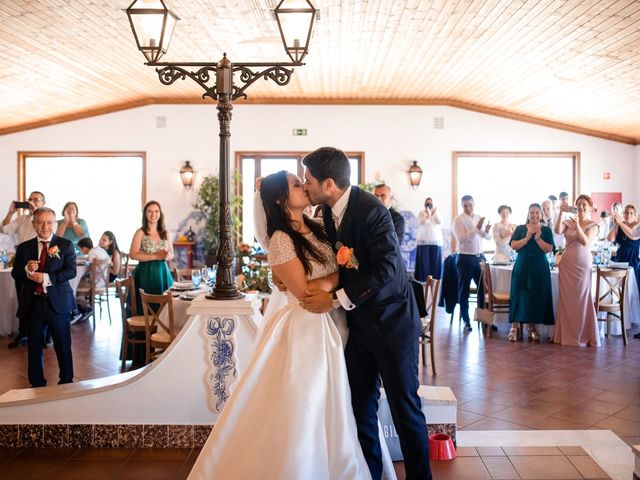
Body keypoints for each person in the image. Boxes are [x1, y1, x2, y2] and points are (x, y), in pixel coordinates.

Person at [189, 171, 375, 479]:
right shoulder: (280, 241)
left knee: (334, 408)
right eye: (295, 184)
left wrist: (336, 280)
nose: (303, 186)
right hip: (307, 331)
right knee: (307, 407)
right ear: (279, 199)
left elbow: (334, 272)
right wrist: (341, 278)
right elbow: (304, 292)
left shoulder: (317, 225)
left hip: (333, 320)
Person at [299, 147, 430, 480]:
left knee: (405, 409)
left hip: (392, 322)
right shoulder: (327, 211)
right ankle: (370, 473)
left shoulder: (372, 210)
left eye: (309, 180)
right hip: (359, 327)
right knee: (359, 407)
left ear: (329, 184)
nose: (305, 186)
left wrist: (335, 299)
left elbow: (387, 268)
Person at [11, 207, 76, 387]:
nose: (45, 227)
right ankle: (37, 383)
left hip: (58, 303)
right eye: (41, 222)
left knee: (63, 345)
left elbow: (71, 271)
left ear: (54, 223)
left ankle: (67, 381)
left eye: (49, 222)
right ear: (34, 224)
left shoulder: (65, 245)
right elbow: (16, 274)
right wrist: (26, 270)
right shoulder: (24, 248)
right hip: (33, 303)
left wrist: (46, 278)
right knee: (34, 346)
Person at [553, 195, 600, 347]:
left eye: (584, 205)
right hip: (567, 265)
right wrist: (561, 213)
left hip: (582, 265)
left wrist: (578, 225)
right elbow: (557, 230)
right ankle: (565, 335)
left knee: (582, 298)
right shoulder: (568, 222)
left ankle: (584, 335)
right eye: (578, 204)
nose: (580, 207)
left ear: (590, 207)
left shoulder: (593, 225)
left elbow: (585, 242)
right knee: (566, 300)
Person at [2, 191, 47, 348]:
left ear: (43, 202)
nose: (32, 202)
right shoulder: (22, 219)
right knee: (23, 298)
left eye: (36, 200)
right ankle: (23, 333)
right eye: (30, 199)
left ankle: (43, 335)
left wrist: (36, 212)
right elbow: (4, 230)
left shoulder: (47, 220)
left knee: (41, 299)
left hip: (42, 261)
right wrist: (10, 212)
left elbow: (47, 234)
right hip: (22, 261)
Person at [507, 204, 555, 342]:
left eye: (537, 212)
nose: (534, 215)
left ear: (541, 215)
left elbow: (549, 249)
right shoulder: (520, 228)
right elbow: (514, 245)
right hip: (522, 265)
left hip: (539, 267)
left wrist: (538, 239)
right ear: (528, 214)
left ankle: (532, 327)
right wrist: (526, 239)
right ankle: (514, 327)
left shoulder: (546, 230)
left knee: (536, 296)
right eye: (532, 212)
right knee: (519, 294)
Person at [452, 195, 491, 332]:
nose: (468, 208)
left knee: (483, 290)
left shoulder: (478, 217)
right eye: (465, 206)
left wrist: (485, 230)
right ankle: (466, 321)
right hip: (465, 258)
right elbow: (461, 239)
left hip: (480, 258)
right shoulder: (458, 220)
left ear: (474, 204)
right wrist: (476, 228)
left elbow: (487, 237)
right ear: (462, 206)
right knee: (464, 291)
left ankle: (484, 321)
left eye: (470, 205)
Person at [129, 201, 174, 314]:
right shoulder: (140, 233)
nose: (153, 214)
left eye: (156, 211)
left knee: (165, 302)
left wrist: (168, 256)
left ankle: (163, 327)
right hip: (145, 273)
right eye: (149, 211)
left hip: (163, 272)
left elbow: (172, 254)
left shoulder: (165, 233)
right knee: (147, 304)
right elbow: (133, 255)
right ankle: (145, 329)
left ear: (160, 214)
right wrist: (155, 256)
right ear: (145, 214)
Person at [608, 204, 639, 291]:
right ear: (623, 214)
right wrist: (616, 225)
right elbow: (610, 238)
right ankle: (620, 302)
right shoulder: (621, 225)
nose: (628, 215)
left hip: (632, 260)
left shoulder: (637, 226)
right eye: (626, 212)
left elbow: (632, 235)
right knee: (620, 288)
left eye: (631, 213)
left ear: (635, 215)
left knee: (632, 289)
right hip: (619, 259)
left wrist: (620, 223)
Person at [76, 237, 110, 313]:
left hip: (96, 283)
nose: (81, 251)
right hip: (104, 282)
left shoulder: (91, 252)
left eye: (80, 249)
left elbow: (91, 269)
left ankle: (82, 307)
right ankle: (85, 307)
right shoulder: (100, 250)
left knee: (76, 283)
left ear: (84, 248)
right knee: (82, 280)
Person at [414, 197, 443, 281]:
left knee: (435, 264)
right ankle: (424, 284)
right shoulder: (421, 213)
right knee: (424, 264)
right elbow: (420, 222)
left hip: (435, 242)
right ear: (424, 204)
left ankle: (435, 285)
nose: (429, 205)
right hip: (423, 242)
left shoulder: (437, 213)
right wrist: (427, 215)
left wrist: (433, 213)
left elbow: (439, 222)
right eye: (427, 203)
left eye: (430, 203)